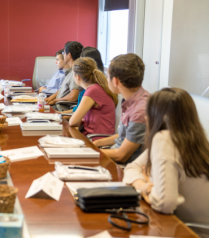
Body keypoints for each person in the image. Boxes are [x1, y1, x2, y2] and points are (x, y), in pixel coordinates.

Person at [123, 88, 209, 225]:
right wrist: (142, 185)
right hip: (187, 228)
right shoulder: (196, 139)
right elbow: (133, 167)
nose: (146, 118)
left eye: (149, 113)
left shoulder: (164, 139)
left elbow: (164, 203)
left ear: (160, 116)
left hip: (190, 235)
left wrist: (149, 189)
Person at [94, 53, 150, 163]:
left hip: (124, 167)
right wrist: (95, 144)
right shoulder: (134, 101)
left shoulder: (140, 111)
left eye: (107, 76)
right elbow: (123, 137)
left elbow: (121, 155)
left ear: (115, 81)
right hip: (114, 156)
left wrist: (91, 150)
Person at [68, 57, 118, 140]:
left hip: (95, 140)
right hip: (92, 137)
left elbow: (72, 122)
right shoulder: (97, 87)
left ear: (78, 76)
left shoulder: (93, 91)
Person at [58, 47, 105, 114]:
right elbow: (77, 110)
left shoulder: (93, 90)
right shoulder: (91, 87)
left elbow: (75, 119)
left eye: (81, 60)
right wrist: (59, 114)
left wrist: (60, 115)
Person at [44, 41, 84, 110]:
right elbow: (62, 90)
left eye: (64, 53)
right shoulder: (70, 71)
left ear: (69, 55)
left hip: (62, 108)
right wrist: (51, 97)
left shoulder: (75, 72)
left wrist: (56, 100)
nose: (63, 54)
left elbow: (73, 97)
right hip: (57, 106)